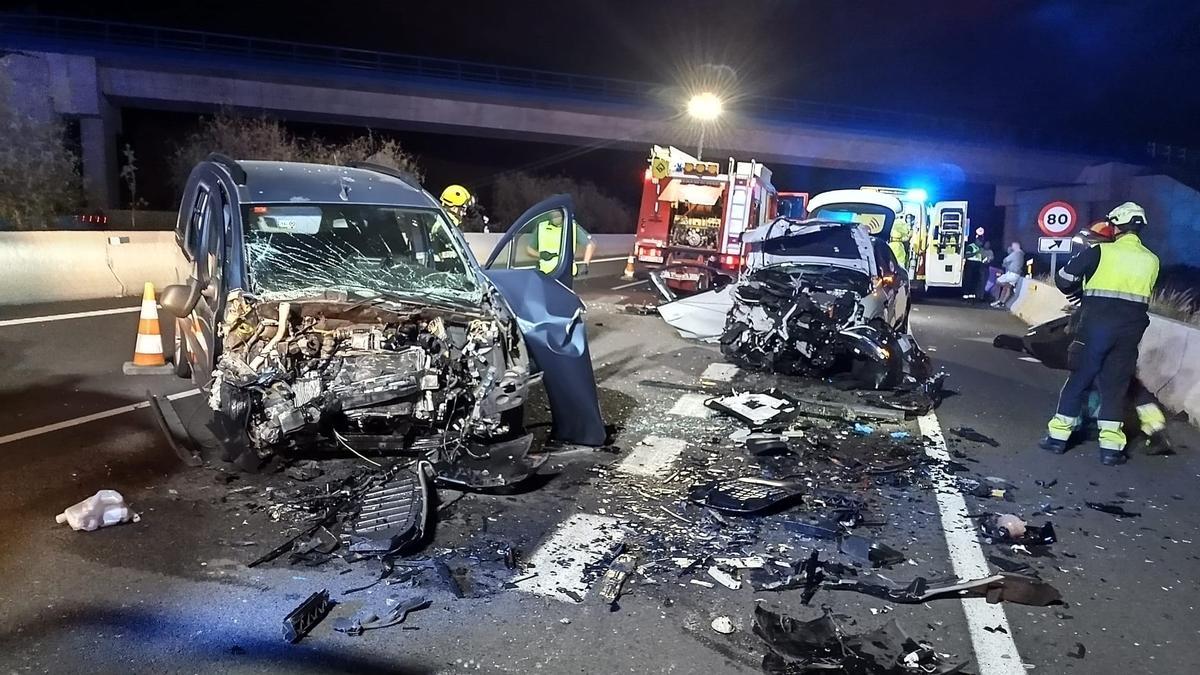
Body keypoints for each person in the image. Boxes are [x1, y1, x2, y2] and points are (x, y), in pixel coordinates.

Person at [1039, 202, 1160, 465]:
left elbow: (1064, 277)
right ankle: (1111, 449)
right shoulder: (1152, 260)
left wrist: (1079, 296)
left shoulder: (1100, 251)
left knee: (1079, 380)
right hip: (1129, 332)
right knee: (1115, 387)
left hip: (1095, 327)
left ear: (1116, 225)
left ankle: (1058, 438)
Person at [526, 209, 596, 276]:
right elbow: (529, 249)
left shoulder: (572, 227)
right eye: (553, 213)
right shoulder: (541, 226)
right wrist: (540, 255)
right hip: (546, 273)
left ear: (563, 214)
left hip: (567, 272)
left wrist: (585, 265)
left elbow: (590, 245)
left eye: (557, 214)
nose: (555, 216)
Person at [991, 241, 1025, 308]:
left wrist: (1005, 264)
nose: (1012, 247)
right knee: (1006, 289)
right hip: (1016, 275)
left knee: (998, 281)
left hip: (1011, 274)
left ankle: (1000, 298)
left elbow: (1006, 260)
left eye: (1013, 246)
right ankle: (1001, 302)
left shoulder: (1016, 253)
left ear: (1016, 246)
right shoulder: (1021, 254)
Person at [963, 233, 994, 301]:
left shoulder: (980, 248)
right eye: (980, 242)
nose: (981, 243)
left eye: (982, 242)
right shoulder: (971, 246)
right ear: (976, 241)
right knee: (968, 280)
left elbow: (982, 257)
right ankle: (966, 295)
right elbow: (966, 256)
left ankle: (972, 296)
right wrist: (976, 253)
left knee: (975, 280)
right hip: (970, 264)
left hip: (978, 265)